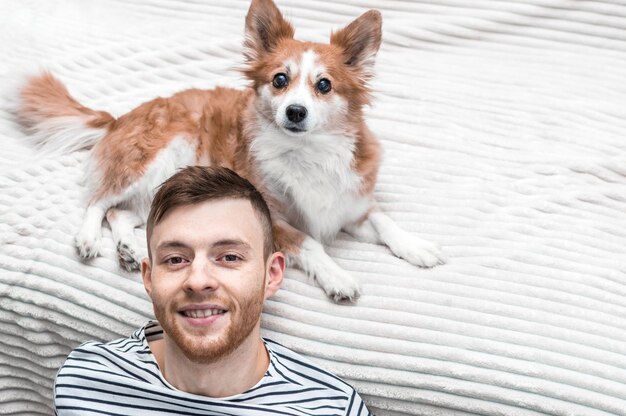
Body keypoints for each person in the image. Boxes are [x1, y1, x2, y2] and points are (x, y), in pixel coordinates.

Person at [53, 166, 371, 415]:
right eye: (176, 259)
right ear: (149, 278)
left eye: (229, 257)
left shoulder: (332, 408)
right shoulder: (85, 381)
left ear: (271, 275)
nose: (198, 280)